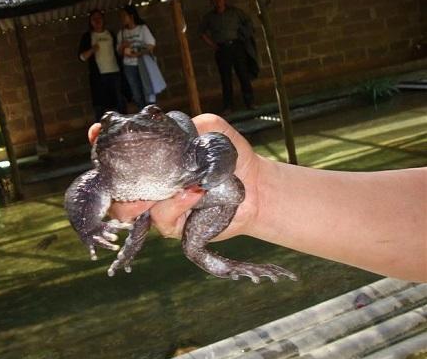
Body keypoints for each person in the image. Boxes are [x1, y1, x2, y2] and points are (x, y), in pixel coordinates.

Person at [87, 115, 427, 283]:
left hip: (211, 183)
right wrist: (261, 193)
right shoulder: (111, 165)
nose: (131, 129)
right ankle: (128, 253)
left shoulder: (184, 141)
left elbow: (215, 148)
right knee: (171, 231)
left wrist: (211, 177)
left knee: (199, 231)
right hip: (208, 190)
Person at [199, 0, 259, 114]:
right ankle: (228, 107)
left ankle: (250, 103)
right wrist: (213, 45)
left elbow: (248, 22)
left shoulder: (235, 12)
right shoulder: (209, 17)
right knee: (226, 78)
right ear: (211, 1)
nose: (218, 0)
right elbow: (202, 32)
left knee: (243, 75)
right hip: (222, 49)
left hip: (237, 47)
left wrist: (244, 36)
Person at [78, 9, 127, 122]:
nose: (97, 20)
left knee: (119, 102)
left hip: (115, 72)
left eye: (99, 17)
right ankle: (101, 131)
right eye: (94, 19)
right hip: (98, 76)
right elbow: (81, 57)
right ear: (90, 22)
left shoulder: (110, 34)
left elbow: (118, 52)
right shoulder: (87, 36)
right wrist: (92, 50)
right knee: (100, 105)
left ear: (103, 19)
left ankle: (124, 126)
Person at [117, 4, 157, 109]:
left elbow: (151, 45)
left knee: (148, 92)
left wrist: (138, 53)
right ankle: (142, 115)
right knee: (137, 94)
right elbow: (119, 52)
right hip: (129, 66)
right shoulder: (121, 33)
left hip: (143, 64)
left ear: (131, 16)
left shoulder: (142, 28)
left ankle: (153, 116)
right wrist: (123, 46)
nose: (121, 18)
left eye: (123, 15)